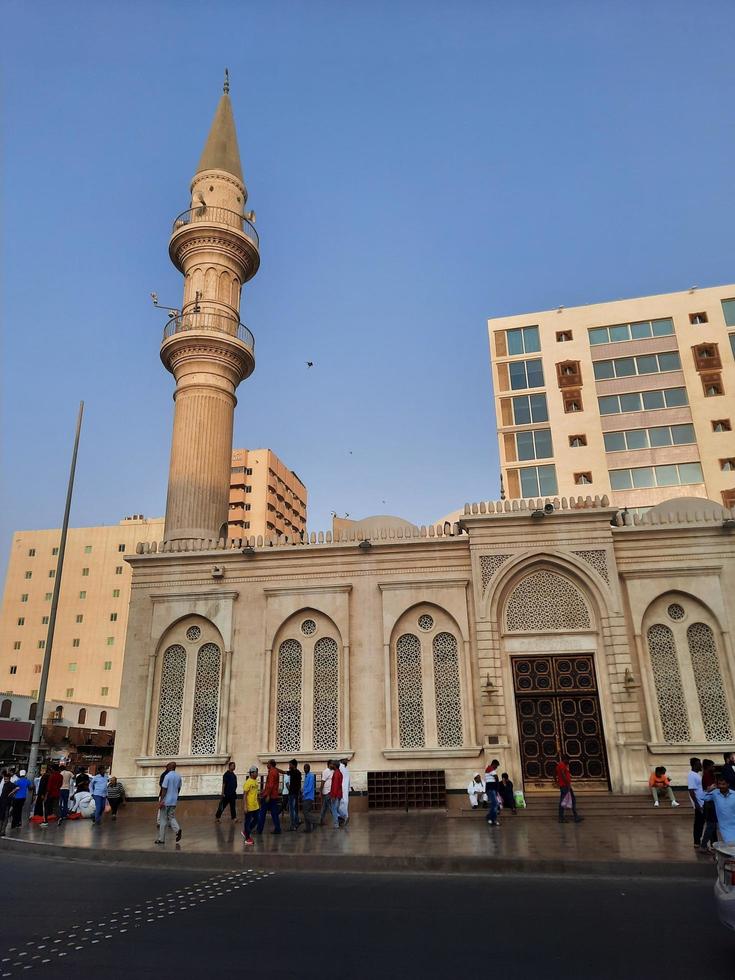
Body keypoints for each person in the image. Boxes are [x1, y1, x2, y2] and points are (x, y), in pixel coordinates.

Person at [702, 775, 735, 844]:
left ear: (728, 784)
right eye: (719, 784)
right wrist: (708, 790)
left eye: (723, 784)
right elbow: (702, 797)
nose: (721, 786)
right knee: (730, 844)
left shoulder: (734, 794)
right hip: (724, 826)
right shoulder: (715, 793)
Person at [155, 761, 182, 844]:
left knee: (163, 820)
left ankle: (161, 839)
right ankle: (177, 830)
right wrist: (175, 796)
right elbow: (178, 788)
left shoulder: (167, 776)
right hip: (173, 800)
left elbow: (164, 789)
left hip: (166, 800)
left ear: (169, 767)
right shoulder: (178, 776)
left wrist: (161, 801)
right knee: (171, 816)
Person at [257, 760, 283, 835]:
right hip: (274, 795)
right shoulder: (275, 771)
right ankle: (277, 828)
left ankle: (259, 829)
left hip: (269, 796)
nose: (267, 765)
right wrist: (263, 791)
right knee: (274, 813)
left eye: (268, 763)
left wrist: (267, 795)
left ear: (270, 764)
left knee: (262, 812)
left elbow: (270, 785)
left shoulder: (272, 772)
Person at [556, 754, 583, 823]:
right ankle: (561, 817)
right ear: (565, 759)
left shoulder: (561, 765)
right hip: (565, 786)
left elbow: (555, 773)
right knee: (564, 801)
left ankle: (575, 816)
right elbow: (563, 774)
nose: (569, 761)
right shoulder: (562, 765)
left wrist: (556, 781)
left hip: (565, 785)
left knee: (571, 800)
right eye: (568, 760)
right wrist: (567, 783)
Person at [701, 759, 719, 853]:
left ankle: (713, 845)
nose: (713, 767)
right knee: (711, 826)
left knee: (713, 826)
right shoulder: (707, 776)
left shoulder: (710, 775)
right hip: (709, 804)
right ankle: (703, 845)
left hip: (712, 803)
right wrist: (714, 786)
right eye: (712, 766)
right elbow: (708, 789)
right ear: (708, 767)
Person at [687, 758, 705, 848]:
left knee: (701, 823)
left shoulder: (697, 775)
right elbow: (691, 791)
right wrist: (697, 804)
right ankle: (697, 842)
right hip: (699, 804)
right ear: (694, 765)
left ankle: (699, 841)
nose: (700, 766)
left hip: (702, 802)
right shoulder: (691, 775)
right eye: (699, 764)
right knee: (698, 823)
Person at [241, 766, 260, 845]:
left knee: (256, 819)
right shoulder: (248, 782)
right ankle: (247, 838)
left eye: (257, 772)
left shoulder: (255, 782)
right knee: (247, 822)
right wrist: (245, 806)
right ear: (252, 773)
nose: (257, 774)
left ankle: (246, 831)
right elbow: (245, 795)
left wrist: (258, 803)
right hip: (249, 806)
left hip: (255, 806)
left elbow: (256, 794)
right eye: (256, 772)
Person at [0, 771, 18, 836]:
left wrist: (12, 793)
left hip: (7, 803)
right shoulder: (5, 784)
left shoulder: (10, 784)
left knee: (5, 817)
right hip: (2, 802)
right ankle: (1, 830)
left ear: (9, 778)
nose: (5, 780)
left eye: (6, 779)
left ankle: (3, 831)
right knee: (1, 817)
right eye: (4, 779)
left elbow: (17, 787)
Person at [484, 759, 501, 827]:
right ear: (494, 764)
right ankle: (493, 819)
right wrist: (497, 787)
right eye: (496, 766)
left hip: (491, 789)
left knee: (494, 804)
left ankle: (489, 817)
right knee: (495, 804)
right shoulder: (490, 769)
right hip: (491, 789)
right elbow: (496, 778)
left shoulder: (489, 769)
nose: (496, 767)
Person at [287, 760, 302, 830]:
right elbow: (299, 785)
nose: (289, 766)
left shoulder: (293, 772)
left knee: (292, 810)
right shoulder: (298, 773)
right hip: (296, 794)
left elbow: (283, 772)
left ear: (294, 765)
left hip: (292, 794)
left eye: (290, 765)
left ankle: (293, 826)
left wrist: (275, 768)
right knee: (294, 809)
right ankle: (297, 821)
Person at [328, 761, 343, 829]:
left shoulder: (336, 773)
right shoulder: (339, 772)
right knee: (336, 808)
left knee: (334, 809)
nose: (330, 765)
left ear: (334, 766)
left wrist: (333, 796)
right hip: (339, 794)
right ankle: (342, 818)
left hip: (336, 795)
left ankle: (336, 823)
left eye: (332, 764)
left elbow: (335, 786)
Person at [302, 763, 316, 832]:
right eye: (304, 768)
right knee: (306, 812)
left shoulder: (311, 776)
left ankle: (314, 821)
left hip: (309, 797)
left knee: (305, 812)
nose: (305, 769)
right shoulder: (306, 776)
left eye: (306, 768)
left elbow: (309, 787)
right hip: (305, 797)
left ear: (309, 768)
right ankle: (308, 828)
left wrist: (304, 793)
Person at [339, 759, 351, 826]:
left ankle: (344, 817)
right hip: (345, 790)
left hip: (341, 789)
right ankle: (344, 817)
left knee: (339, 804)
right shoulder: (346, 770)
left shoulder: (341, 767)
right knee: (344, 803)